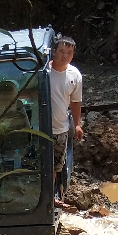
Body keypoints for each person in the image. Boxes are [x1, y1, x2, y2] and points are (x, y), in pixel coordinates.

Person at [48, 35, 83, 202]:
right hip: (41, 128)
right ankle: (45, 198)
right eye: (62, 51)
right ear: (54, 52)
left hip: (61, 128)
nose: (65, 56)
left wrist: (77, 125)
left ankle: (50, 197)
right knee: (41, 163)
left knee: (56, 165)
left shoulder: (74, 75)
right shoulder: (44, 73)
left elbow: (76, 102)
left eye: (69, 52)